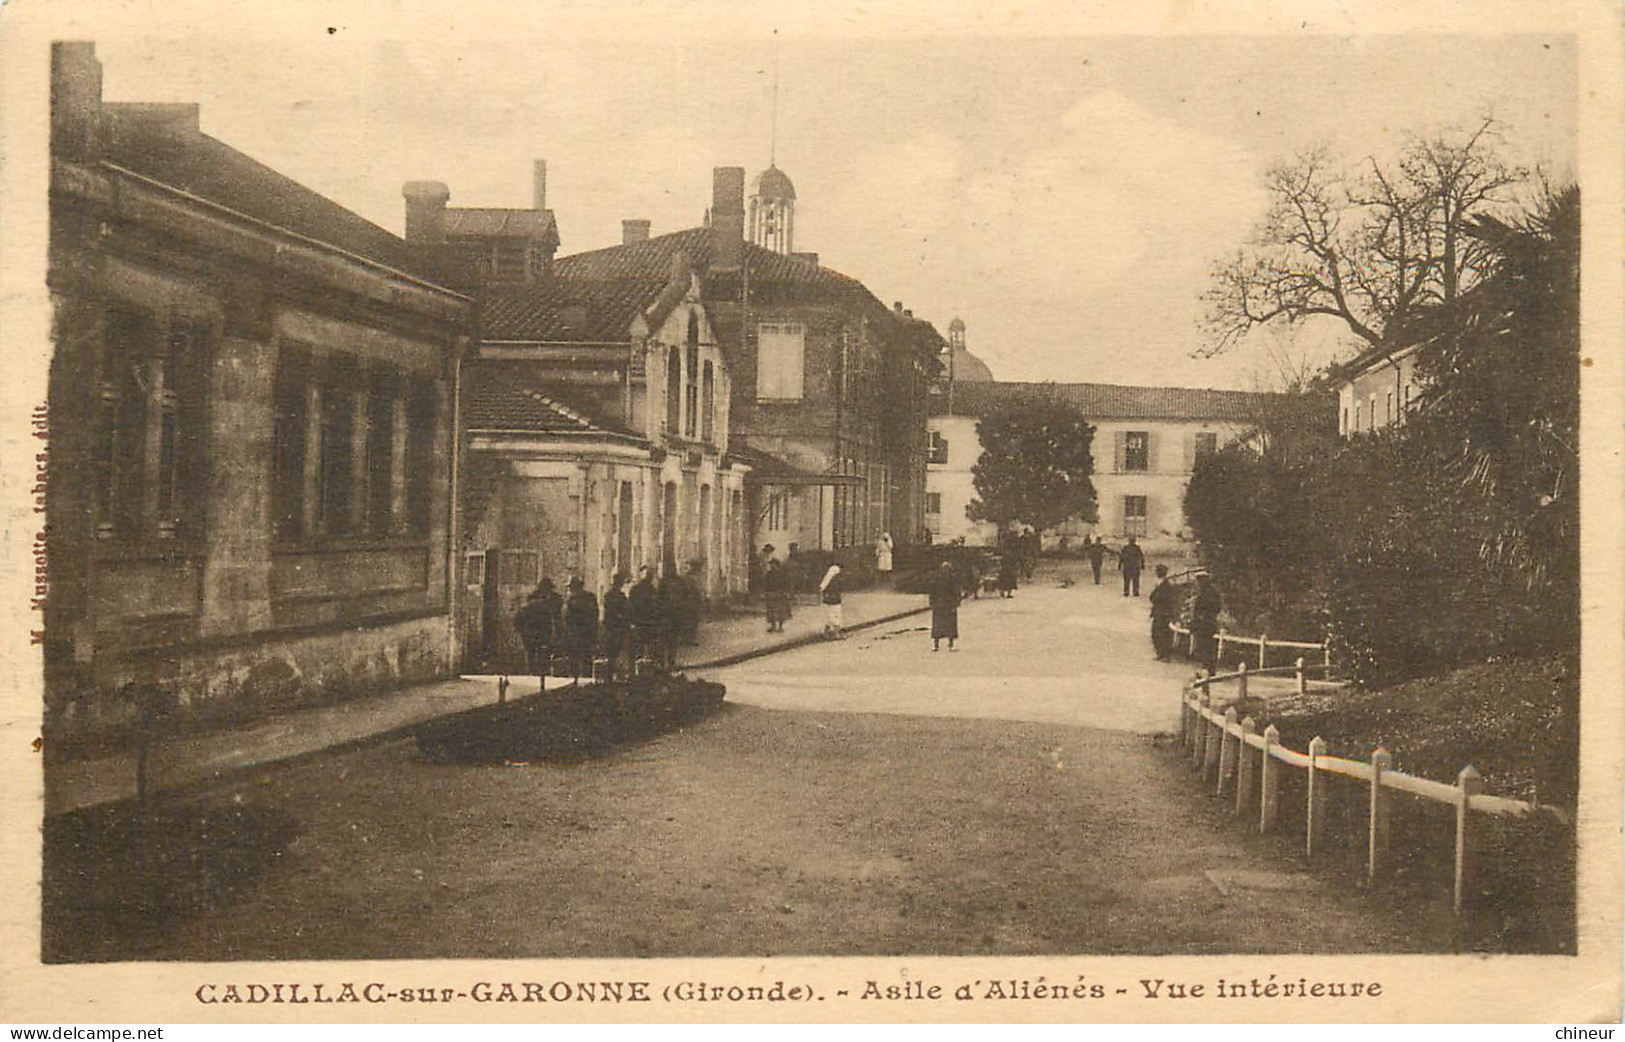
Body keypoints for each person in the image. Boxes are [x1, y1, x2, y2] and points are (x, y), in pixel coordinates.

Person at [513, 579, 560, 689]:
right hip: (539, 633)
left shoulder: (531, 603)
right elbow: (551, 619)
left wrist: (520, 631)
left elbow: (518, 619)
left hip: (531, 633)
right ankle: (540, 674)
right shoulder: (545, 603)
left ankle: (534, 673)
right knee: (539, 653)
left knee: (533, 653)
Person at [563, 576, 599, 683]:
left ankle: (574, 682)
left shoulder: (571, 600)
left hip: (574, 634)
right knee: (587, 659)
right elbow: (595, 615)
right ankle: (586, 681)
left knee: (573, 660)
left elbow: (566, 618)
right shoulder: (591, 597)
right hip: (588, 634)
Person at [628, 566, 659, 672]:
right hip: (646, 623)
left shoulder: (646, 589)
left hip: (643, 623)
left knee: (642, 649)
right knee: (646, 649)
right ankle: (645, 671)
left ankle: (639, 671)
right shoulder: (650, 590)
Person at [1190, 570, 1223, 669]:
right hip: (1203, 624)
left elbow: (1217, 608)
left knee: (1207, 646)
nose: (1197, 584)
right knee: (1204, 647)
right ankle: (1206, 668)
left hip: (1206, 624)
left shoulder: (1210, 593)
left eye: (1198, 581)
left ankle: (1209, 669)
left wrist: (1204, 614)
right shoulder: (1204, 592)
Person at [601, 572, 630, 679]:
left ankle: (609, 676)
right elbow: (625, 613)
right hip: (618, 628)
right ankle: (617, 675)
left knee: (610, 654)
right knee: (618, 652)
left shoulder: (607, 596)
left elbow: (606, 613)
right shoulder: (621, 597)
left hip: (610, 628)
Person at [928, 560, 961, 652]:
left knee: (948, 626)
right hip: (941, 605)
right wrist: (932, 602)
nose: (945, 571)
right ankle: (936, 645)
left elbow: (956, 592)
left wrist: (956, 603)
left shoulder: (952, 580)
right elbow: (932, 592)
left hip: (948, 605)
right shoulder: (937, 579)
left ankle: (950, 644)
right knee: (938, 626)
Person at [1148, 564, 1177, 661]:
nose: (1156, 573)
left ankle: (1166, 655)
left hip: (1164, 613)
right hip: (1158, 613)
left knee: (1164, 634)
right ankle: (1160, 653)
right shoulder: (1160, 584)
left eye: (1157, 571)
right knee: (1155, 633)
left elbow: (1163, 599)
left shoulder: (1166, 586)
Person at [656, 568, 682, 669]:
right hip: (667, 621)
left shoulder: (663, 587)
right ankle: (665, 663)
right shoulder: (672, 602)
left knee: (669, 644)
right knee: (666, 644)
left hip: (668, 622)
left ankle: (667, 663)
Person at [762, 557, 792, 633]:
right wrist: (765, 592)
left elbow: (786, 583)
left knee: (780, 611)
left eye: (773, 564)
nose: (772, 566)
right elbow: (765, 584)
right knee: (771, 611)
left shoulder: (781, 574)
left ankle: (780, 627)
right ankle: (773, 626)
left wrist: (785, 592)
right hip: (771, 594)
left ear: (777, 565)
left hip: (780, 594)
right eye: (771, 564)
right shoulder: (769, 574)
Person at [818, 563, 844, 639]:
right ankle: (836, 634)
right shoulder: (835, 581)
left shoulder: (827, 581)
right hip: (834, 600)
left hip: (828, 600)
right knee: (836, 616)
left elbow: (822, 588)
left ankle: (825, 632)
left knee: (829, 617)